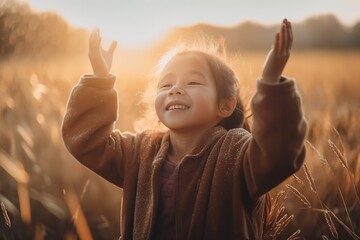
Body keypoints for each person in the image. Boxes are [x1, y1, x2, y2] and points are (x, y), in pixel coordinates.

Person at [62, 18, 307, 239]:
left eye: (193, 82)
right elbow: (87, 141)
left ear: (225, 105)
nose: (175, 89)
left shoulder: (235, 153)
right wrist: (100, 79)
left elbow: (278, 155)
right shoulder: (141, 151)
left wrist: (271, 82)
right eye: (166, 84)